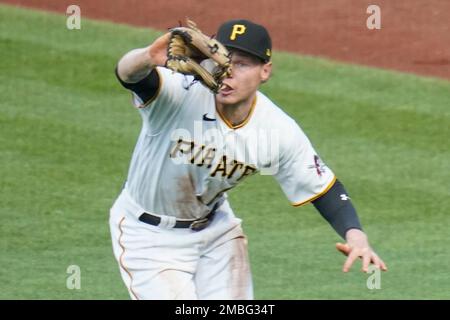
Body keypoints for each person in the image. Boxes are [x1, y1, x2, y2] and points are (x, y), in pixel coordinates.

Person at [109, 19, 387, 300]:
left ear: (265, 71)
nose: (227, 72)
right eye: (221, 60)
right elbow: (129, 76)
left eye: (241, 64)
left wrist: (356, 236)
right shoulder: (180, 92)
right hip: (148, 236)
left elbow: (323, 188)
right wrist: (147, 57)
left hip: (216, 233)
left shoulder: (278, 129)